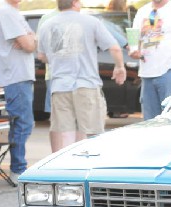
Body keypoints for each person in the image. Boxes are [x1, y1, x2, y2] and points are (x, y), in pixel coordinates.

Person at [37, 0, 127, 153]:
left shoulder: (47, 25)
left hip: (60, 86)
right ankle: (88, 169)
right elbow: (114, 47)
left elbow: (41, 56)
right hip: (87, 84)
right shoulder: (91, 21)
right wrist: (120, 67)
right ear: (75, 3)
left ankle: (66, 170)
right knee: (93, 133)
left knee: (64, 133)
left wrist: (58, 59)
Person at [0, 0, 36, 185]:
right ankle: (18, 169)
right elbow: (30, 45)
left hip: (21, 76)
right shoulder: (6, 12)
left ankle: (18, 167)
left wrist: (30, 37)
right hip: (15, 77)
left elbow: (31, 40)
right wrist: (29, 38)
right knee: (22, 123)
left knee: (24, 123)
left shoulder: (14, 11)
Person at [129, 0, 171, 120]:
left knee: (170, 120)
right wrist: (134, 51)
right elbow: (134, 40)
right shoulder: (142, 11)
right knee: (150, 122)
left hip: (168, 74)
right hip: (146, 75)